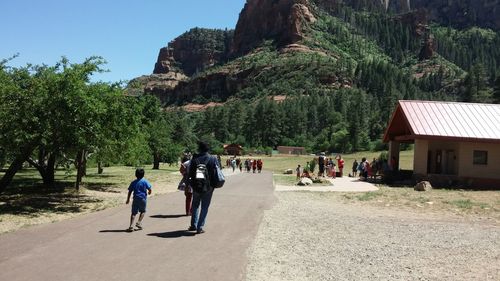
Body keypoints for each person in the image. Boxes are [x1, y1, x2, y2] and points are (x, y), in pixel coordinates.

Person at [187, 141, 219, 234]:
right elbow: (217, 171)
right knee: (205, 206)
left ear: (199, 148)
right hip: (209, 187)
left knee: (195, 205)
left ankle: (193, 225)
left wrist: (189, 183)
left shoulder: (195, 158)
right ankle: (200, 227)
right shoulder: (213, 158)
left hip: (196, 185)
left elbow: (190, 173)